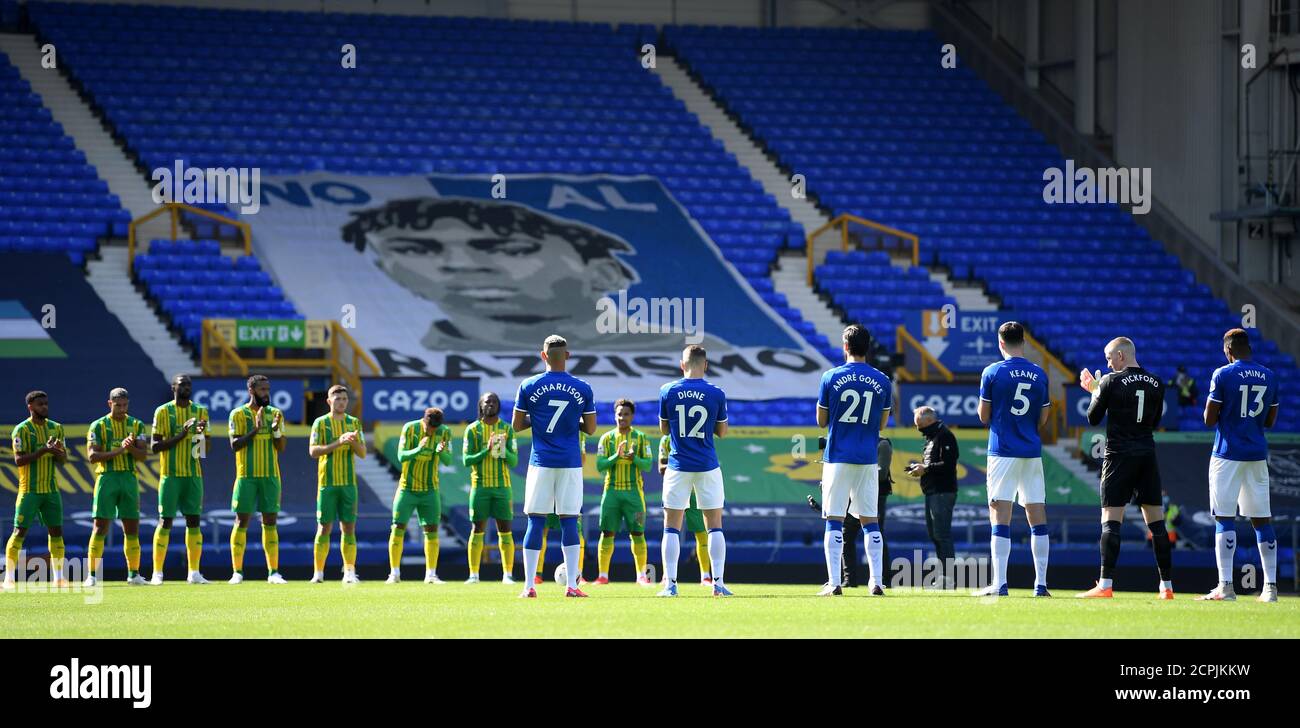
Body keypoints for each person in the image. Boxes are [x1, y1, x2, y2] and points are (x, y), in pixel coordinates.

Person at [340, 197, 730, 353]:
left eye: (511, 250)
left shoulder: (692, 349)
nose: (459, 266)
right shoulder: (399, 356)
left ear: (604, 272)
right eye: (414, 250)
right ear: (385, 269)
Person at [1074, 337, 1173, 599]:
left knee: (1110, 522)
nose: (1107, 364)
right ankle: (1167, 587)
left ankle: (1105, 584)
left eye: (1108, 358)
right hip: (1147, 454)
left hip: (1118, 455)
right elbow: (1154, 421)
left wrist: (1096, 390)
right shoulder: (1157, 383)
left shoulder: (1110, 381)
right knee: (1158, 525)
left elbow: (1092, 417)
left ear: (1120, 356)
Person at [1198, 329, 1280, 603]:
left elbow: (1209, 419)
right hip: (1256, 454)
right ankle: (1270, 588)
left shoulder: (1223, 374)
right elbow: (1270, 421)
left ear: (1228, 350)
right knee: (1261, 520)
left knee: (1224, 517)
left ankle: (1226, 587)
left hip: (1227, 453)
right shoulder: (1270, 375)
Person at [513, 335, 597, 598]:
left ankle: (529, 586)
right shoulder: (582, 387)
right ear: (568, 356)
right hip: (570, 463)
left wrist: (537, 420)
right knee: (570, 522)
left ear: (543, 355)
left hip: (541, 462)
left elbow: (516, 425)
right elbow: (591, 428)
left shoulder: (528, 385)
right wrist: (573, 424)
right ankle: (572, 585)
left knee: (535, 522)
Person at [814, 324, 892, 596]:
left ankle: (834, 582)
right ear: (867, 347)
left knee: (834, 519)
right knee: (870, 520)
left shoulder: (830, 377)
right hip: (867, 458)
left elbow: (821, 421)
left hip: (837, 456)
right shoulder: (882, 379)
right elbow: (882, 422)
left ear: (845, 346)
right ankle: (877, 581)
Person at [977, 321, 1052, 597]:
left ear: (1000, 343)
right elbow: (1043, 418)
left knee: (1000, 517)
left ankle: (1000, 584)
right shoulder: (1040, 373)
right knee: (1037, 517)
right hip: (1031, 452)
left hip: (1002, 451)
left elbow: (983, 416)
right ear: (1024, 341)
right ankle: (1041, 585)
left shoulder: (992, 372)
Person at [658, 344, 731, 597]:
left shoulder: (667, 391)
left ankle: (670, 585)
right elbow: (722, 432)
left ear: (682, 364)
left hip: (678, 465)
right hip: (707, 465)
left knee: (671, 526)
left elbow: (664, 430)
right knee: (715, 525)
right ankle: (718, 584)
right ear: (706, 365)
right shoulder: (716, 393)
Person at [84, 388, 150, 586]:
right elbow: (92, 456)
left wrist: (130, 448)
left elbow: (143, 456)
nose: (122, 409)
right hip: (107, 478)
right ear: (109, 404)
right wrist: (120, 450)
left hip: (129, 478)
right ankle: (92, 575)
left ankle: (133, 574)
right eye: (118, 405)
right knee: (100, 527)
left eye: (125, 405)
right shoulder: (98, 426)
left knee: (131, 528)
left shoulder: (136, 425)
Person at [149, 374, 211, 585]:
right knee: (165, 521)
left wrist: (200, 436)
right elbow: (155, 447)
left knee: (193, 521)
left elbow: (202, 452)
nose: (186, 387)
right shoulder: (163, 411)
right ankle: (157, 573)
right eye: (182, 384)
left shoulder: (200, 411)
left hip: (193, 476)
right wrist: (182, 435)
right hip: (170, 476)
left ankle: (194, 572)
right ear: (173, 387)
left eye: (189, 385)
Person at [4, 391, 68, 589]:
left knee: (56, 532)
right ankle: (9, 578)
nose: (45, 407)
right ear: (30, 407)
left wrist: (58, 452)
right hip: (29, 491)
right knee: (19, 532)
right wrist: (44, 450)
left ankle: (58, 577)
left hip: (50, 490)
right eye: (40, 404)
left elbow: (63, 460)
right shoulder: (21, 430)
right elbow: (19, 460)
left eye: (46, 404)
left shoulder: (56, 428)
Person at [227, 374, 288, 584]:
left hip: (270, 476)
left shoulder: (276, 414)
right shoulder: (238, 414)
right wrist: (256, 428)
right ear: (251, 390)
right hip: (246, 476)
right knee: (241, 520)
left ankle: (273, 572)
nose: (266, 393)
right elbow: (234, 445)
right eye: (262, 389)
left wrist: (275, 432)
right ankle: (237, 572)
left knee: (270, 521)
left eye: (267, 389)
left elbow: (281, 448)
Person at [387, 407, 453, 584]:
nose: (431, 432)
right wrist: (418, 448)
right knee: (398, 527)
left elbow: (448, 461)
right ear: (424, 421)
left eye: (435, 429)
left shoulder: (445, 432)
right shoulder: (410, 428)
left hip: (430, 490)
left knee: (431, 531)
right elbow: (401, 456)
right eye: (429, 428)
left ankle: (431, 574)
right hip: (407, 488)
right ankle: (394, 573)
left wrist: (441, 451)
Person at [308, 384, 366, 584]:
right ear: (329, 401)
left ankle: (349, 572)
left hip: (348, 483)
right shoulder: (320, 423)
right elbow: (313, 452)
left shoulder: (354, 423)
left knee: (348, 528)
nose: (341, 402)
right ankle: (318, 573)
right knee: (324, 527)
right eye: (337, 398)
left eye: (344, 399)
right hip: (327, 483)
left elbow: (363, 453)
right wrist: (338, 442)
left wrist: (353, 442)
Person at [594, 400, 653, 584]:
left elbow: (648, 465)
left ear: (632, 416)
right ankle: (603, 576)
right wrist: (616, 456)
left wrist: (634, 458)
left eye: (626, 414)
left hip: (634, 495)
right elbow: (599, 465)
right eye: (619, 414)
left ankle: (641, 576)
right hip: (611, 493)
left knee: (638, 533)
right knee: (607, 533)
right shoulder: (606, 438)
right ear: (615, 415)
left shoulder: (642, 438)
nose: (622, 418)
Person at [462, 392, 518, 584]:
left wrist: (503, 451)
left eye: (494, 402)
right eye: (488, 402)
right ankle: (474, 574)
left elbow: (514, 460)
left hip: (502, 488)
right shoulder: (472, 430)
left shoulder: (507, 429)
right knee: (477, 529)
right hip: (480, 487)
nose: (491, 404)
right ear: (481, 405)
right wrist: (486, 450)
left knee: (505, 530)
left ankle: (508, 574)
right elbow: (466, 460)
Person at [907, 405, 958, 587]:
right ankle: (944, 576)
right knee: (935, 534)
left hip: (942, 491)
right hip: (932, 491)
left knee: (942, 533)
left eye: (919, 424)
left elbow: (949, 464)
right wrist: (920, 469)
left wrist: (925, 468)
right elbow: (934, 463)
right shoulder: (932, 438)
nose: (918, 429)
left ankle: (949, 578)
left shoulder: (945, 436)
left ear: (929, 421)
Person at [659, 434, 711, 585]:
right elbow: (661, 468)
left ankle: (706, 576)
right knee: (670, 532)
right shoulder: (666, 440)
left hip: (695, 493)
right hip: (675, 491)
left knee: (702, 534)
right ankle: (667, 575)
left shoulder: (698, 436)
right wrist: (681, 463)